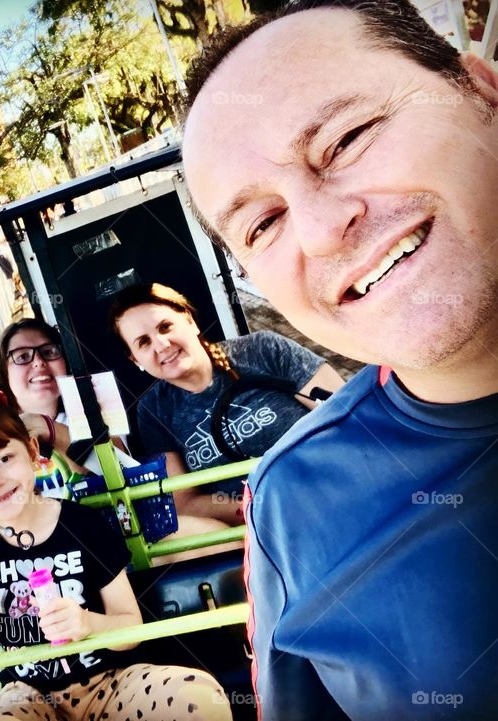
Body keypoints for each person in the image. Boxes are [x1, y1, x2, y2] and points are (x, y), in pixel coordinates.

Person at [179, 1, 498, 718]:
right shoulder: (291, 505)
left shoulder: (259, 354)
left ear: (481, 91)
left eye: (348, 138)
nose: (323, 232)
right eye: (264, 222)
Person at [0, 393, 233, 721]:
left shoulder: (82, 524)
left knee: (199, 697)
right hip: (26, 695)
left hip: (107, 683)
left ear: (33, 453)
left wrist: (86, 622)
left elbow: (129, 626)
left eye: (5, 458)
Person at [109, 282, 344, 524]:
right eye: (144, 342)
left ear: (190, 321)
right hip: (264, 529)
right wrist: (261, 512)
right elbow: (184, 502)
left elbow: (347, 416)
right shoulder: (153, 410)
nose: (162, 345)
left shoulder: (263, 350)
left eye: (166, 327)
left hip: (334, 490)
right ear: (135, 359)